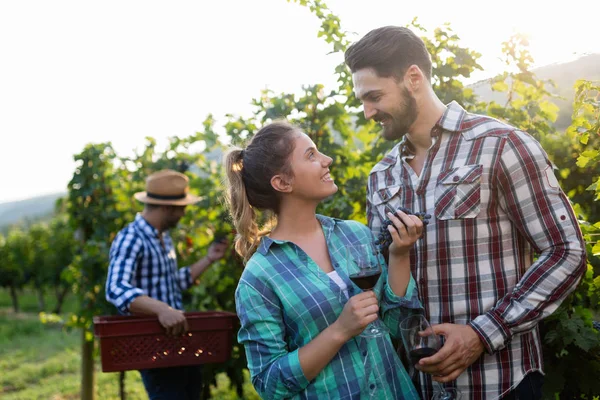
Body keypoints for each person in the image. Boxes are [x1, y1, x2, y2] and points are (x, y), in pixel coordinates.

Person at [344, 26, 587, 400]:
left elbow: (566, 251)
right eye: (362, 100)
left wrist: (482, 333)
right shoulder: (381, 177)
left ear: (413, 79)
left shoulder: (500, 145)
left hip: (502, 384)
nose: (368, 111)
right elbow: (386, 289)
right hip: (417, 388)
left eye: (375, 96)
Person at [223, 121, 423, 399]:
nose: (326, 160)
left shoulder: (355, 235)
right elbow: (270, 384)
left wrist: (400, 254)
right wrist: (339, 331)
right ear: (282, 182)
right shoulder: (259, 278)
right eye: (311, 155)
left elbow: (394, 325)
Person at [105, 169, 228, 400]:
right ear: (168, 208)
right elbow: (115, 288)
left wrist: (209, 258)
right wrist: (162, 309)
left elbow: (172, 283)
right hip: (155, 346)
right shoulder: (132, 237)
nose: (184, 212)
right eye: (182, 207)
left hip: (178, 341)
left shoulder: (163, 236)